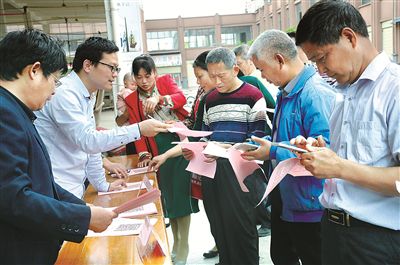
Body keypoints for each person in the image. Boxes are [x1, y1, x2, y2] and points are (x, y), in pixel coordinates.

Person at [291, 1, 400, 264]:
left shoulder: (393, 89)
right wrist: (324, 154)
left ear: (349, 37)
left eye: (322, 57)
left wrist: (338, 167)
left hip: (376, 239)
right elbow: (356, 159)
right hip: (333, 229)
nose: (320, 70)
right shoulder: (343, 92)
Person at [0, 29, 117, 264]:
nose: (54, 91)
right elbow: (13, 198)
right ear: (34, 71)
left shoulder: (17, 111)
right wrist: (83, 216)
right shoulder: (5, 114)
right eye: (54, 80)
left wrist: (84, 210)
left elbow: (40, 183)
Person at [242, 29, 335, 265]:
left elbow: (328, 149)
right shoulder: (287, 91)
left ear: (279, 60)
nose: (262, 76)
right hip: (288, 194)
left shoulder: (314, 93)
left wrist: (272, 150)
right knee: (282, 256)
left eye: (262, 69)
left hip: (310, 201)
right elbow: (287, 137)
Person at [34, 37, 169, 199]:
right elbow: (89, 141)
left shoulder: (85, 94)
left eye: (116, 69)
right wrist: (139, 129)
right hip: (58, 187)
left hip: (72, 185)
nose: (114, 75)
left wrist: (103, 186)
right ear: (88, 65)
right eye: (112, 67)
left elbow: (91, 150)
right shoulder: (65, 94)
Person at [125, 54, 199, 265]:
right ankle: (175, 245)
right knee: (168, 200)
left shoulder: (165, 82)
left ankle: (182, 249)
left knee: (181, 198)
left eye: (147, 75)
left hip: (178, 145)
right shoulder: (131, 99)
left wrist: (160, 98)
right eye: (139, 77)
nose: (144, 81)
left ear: (155, 73)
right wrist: (143, 155)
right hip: (155, 149)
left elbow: (181, 98)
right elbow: (136, 130)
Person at [197, 47, 267, 265]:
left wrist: (226, 149)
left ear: (235, 69)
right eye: (212, 75)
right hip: (213, 171)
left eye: (221, 75)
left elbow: (257, 138)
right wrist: (202, 147)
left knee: (242, 229)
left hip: (240, 174)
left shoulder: (253, 96)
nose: (216, 81)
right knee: (220, 228)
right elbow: (204, 133)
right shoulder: (209, 99)